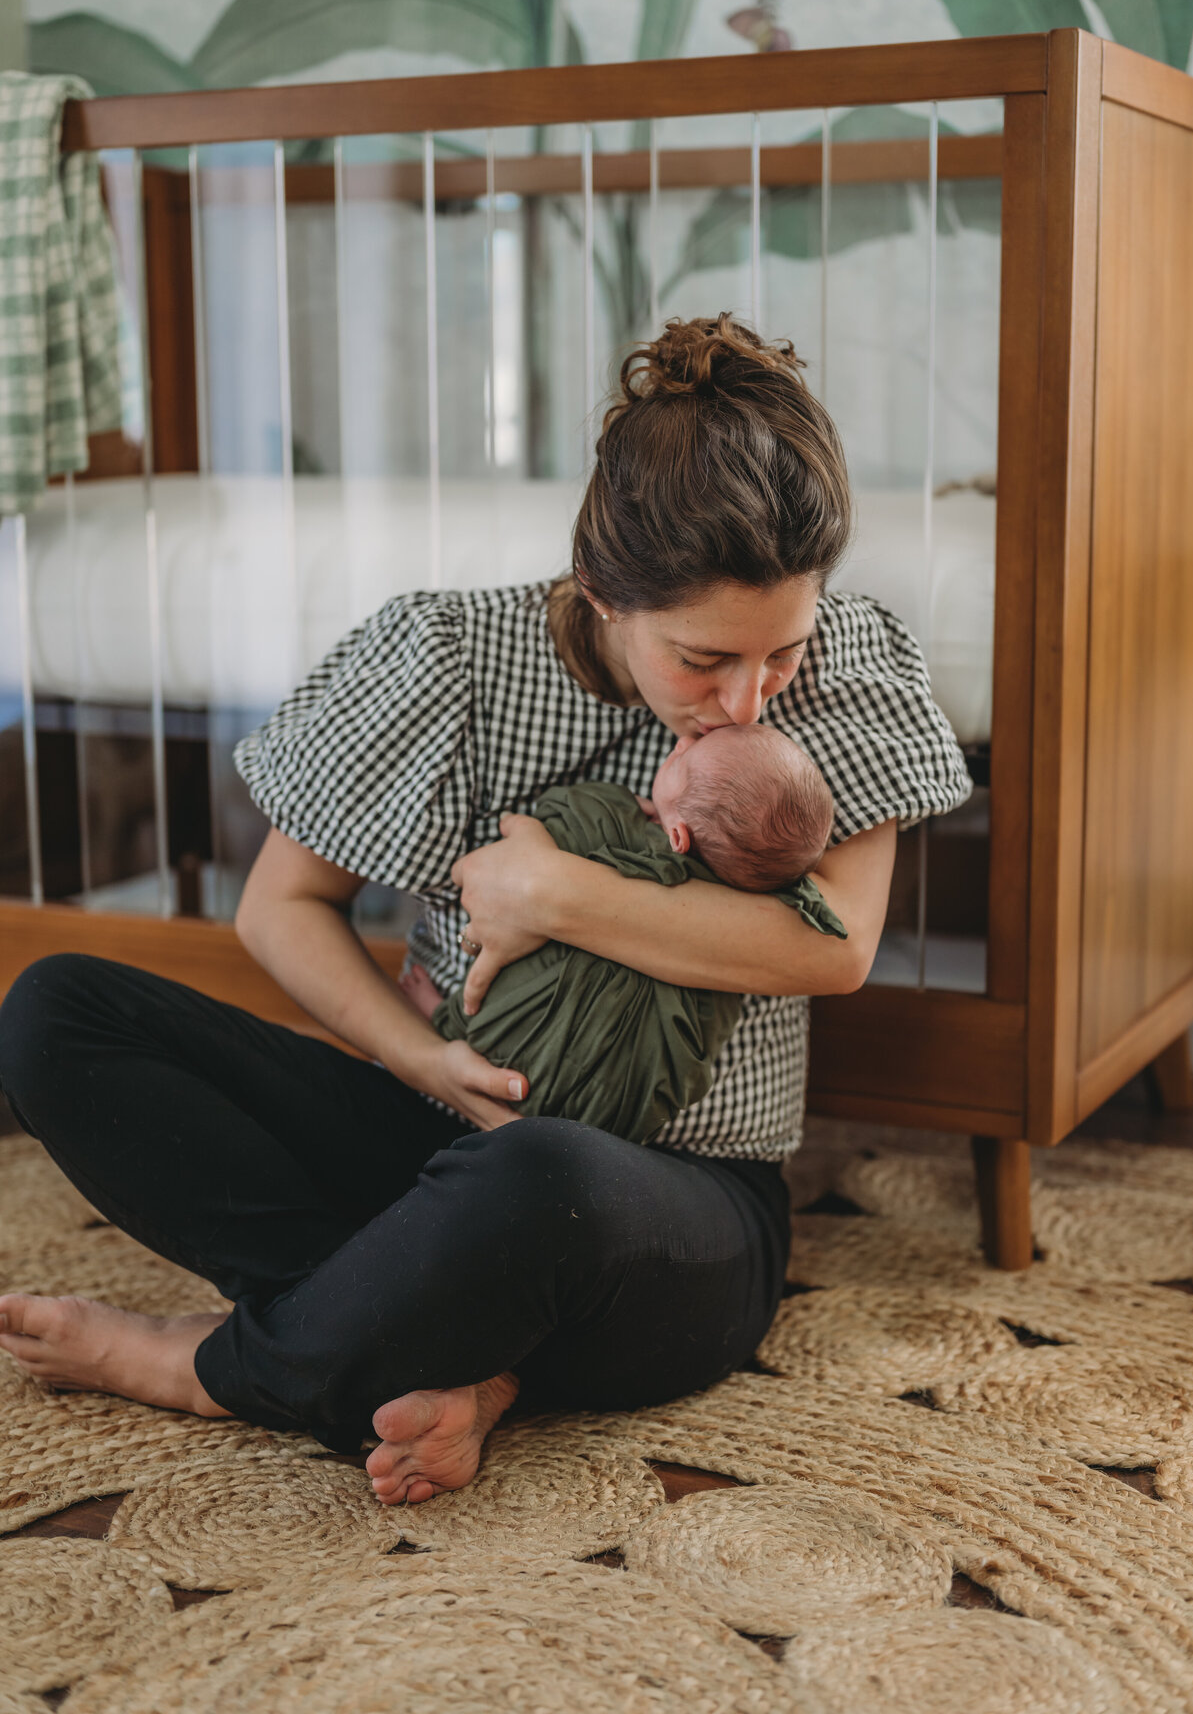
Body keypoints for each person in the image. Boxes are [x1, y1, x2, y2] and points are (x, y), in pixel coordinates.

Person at [0, 314, 971, 1509]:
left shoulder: (853, 664)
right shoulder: (454, 659)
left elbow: (836, 950)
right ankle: (451, 1347)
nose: (746, 700)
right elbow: (282, 907)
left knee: (542, 1179)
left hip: (669, 1211)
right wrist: (428, 1061)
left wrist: (555, 889)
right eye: (703, 658)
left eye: (780, 654)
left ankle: (216, 1365)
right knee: (56, 1014)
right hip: (441, 1149)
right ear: (607, 591)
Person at [422, 725, 848, 1145]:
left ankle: (445, 1019)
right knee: (694, 1020)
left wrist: (544, 820)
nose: (681, 743)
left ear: (677, 835)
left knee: (513, 988)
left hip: (511, 1063)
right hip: (612, 1118)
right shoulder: (745, 930)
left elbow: (550, 816)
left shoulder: (604, 815)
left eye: (684, 761)